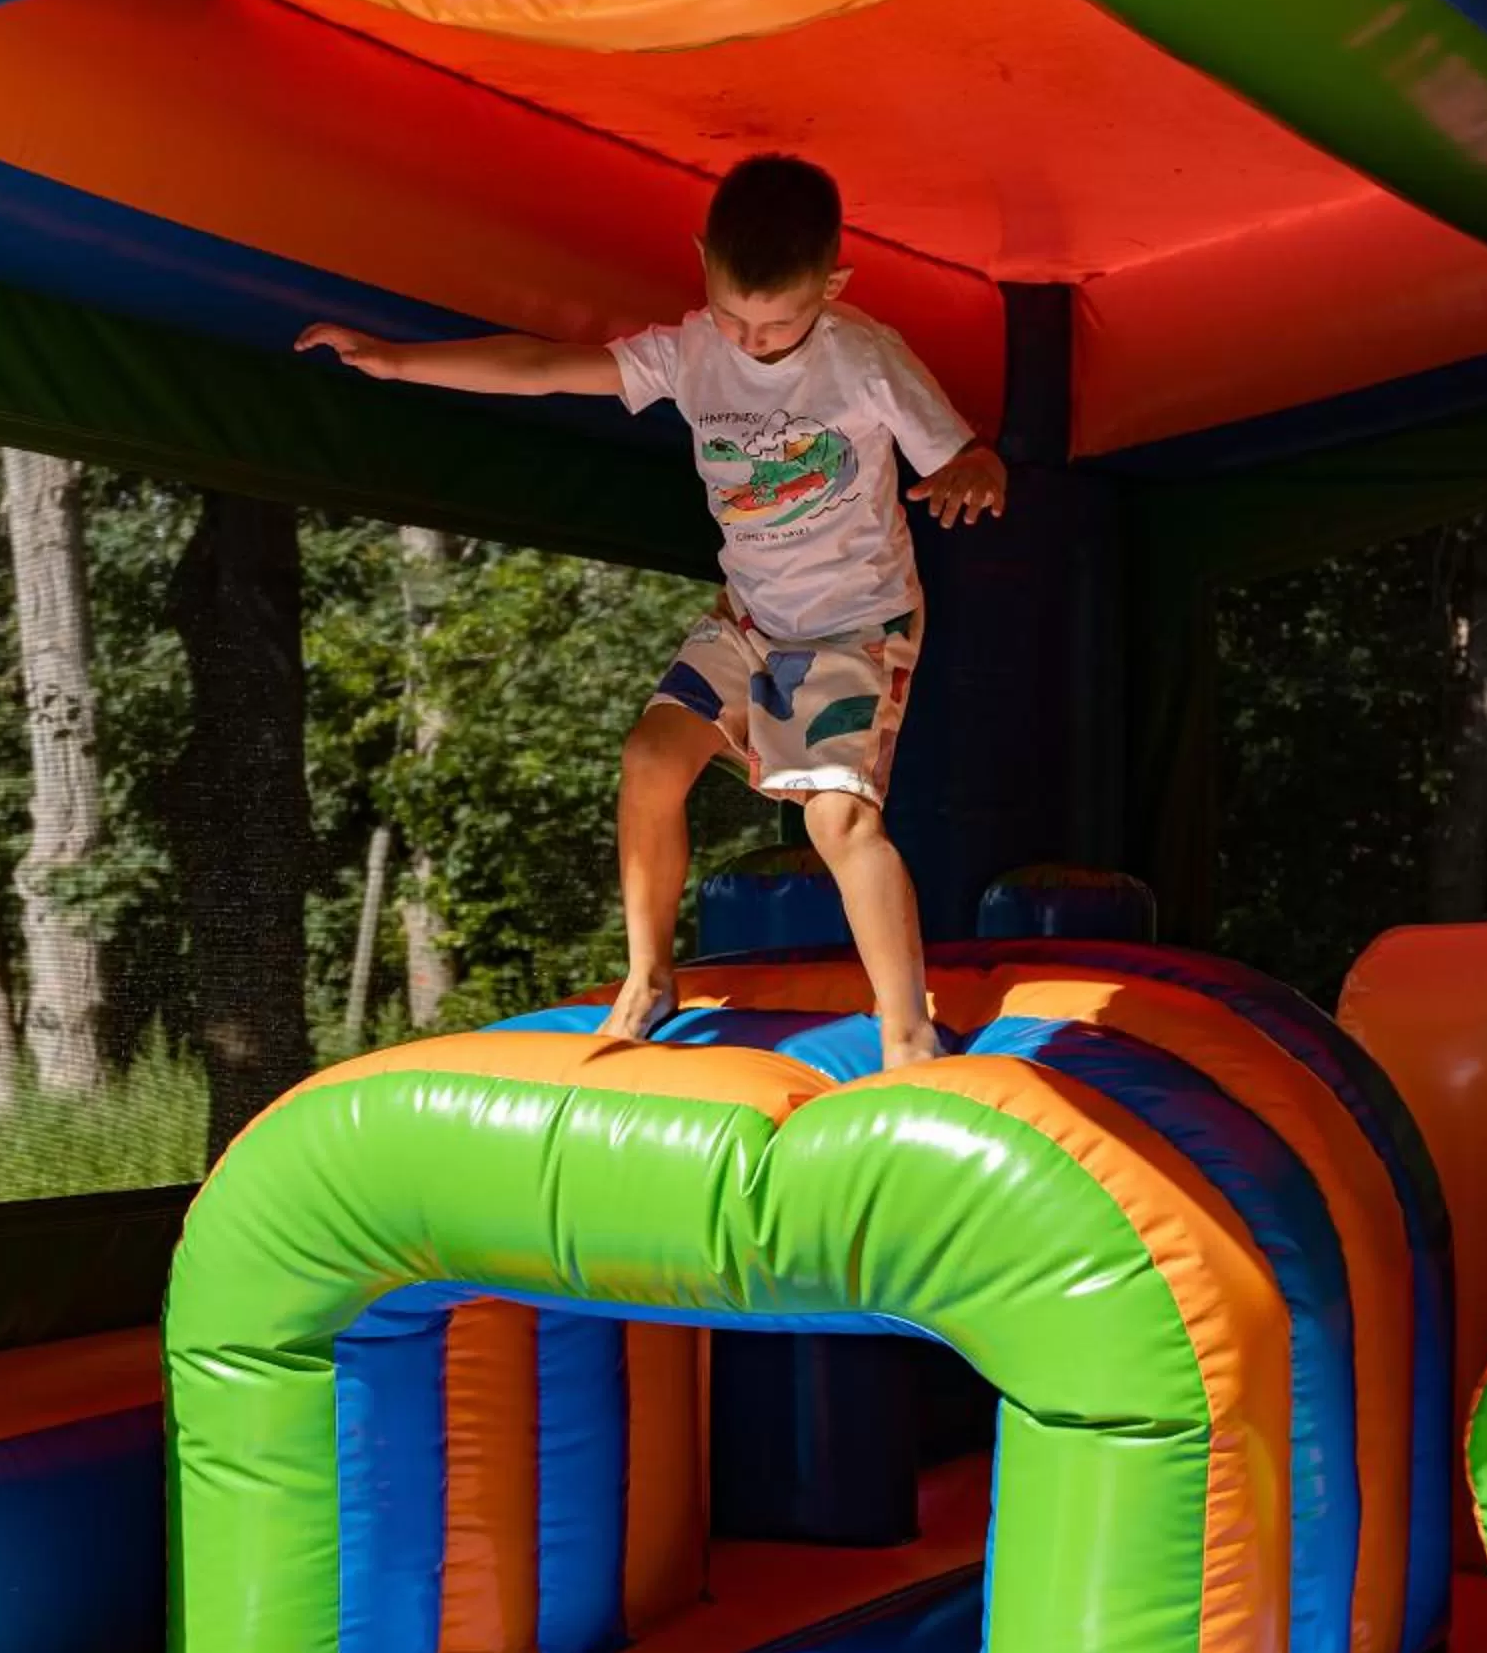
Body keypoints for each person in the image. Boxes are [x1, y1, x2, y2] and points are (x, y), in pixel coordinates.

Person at [298, 155, 1007, 1068]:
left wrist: (978, 470)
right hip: (747, 619)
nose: (753, 340)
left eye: (781, 320)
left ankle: (907, 1031)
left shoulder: (865, 362)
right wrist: (397, 362)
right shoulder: (691, 351)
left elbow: (965, 453)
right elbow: (548, 368)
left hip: (852, 628)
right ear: (703, 260)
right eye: (734, 314)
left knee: (838, 821)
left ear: (832, 288)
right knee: (650, 757)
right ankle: (648, 976)